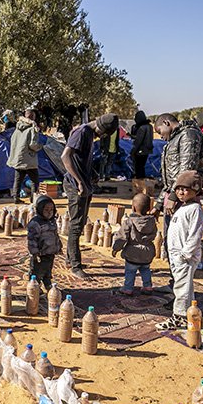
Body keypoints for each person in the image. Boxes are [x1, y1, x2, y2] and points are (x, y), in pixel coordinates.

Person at [61, 113, 119, 280]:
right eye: (103, 134)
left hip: (84, 184)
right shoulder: (82, 132)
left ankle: (70, 258)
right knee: (76, 226)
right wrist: (79, 181)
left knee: (79, 223)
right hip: (75, 185)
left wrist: (91, 174)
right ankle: (75, 266)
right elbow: (65, 156)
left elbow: (81, 159)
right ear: (100, 129)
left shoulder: (88, 133)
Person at [155, 171, 203, 330]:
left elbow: (195, 234)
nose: (181, 192)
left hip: (185, 257)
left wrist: (186, 254)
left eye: (186, 189)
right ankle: (188, 314)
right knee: (184, 287)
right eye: (179, 189)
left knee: (181, 289)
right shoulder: (183, 207)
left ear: (196, 190)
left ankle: (178, 318)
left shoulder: (195, 209)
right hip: (177, 256)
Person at [151, 113, 203, 228]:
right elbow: (171, 180)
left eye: (159, 132)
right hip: (175, 195)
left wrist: (173, 197)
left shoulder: (188, 135)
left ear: (166, 123)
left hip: (184, 197)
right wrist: (159, 204)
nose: (160, 137)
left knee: (181, 237)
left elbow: (187, 171)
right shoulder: (175, 138)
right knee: (171, 237)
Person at [112, 193, 157, 296]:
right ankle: (148, 286)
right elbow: (154, 235)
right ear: (149, 208)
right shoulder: (152, 221)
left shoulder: (129, 221)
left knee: (130, 271)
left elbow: (122, 236)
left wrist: (116, 248)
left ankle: (128, 288)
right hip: (147, 252)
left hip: (133, 252)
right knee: (145, 269)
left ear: (133, 208)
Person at [7, 108, 43, 204]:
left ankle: (15, 197)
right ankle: (33, 199)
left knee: (18, 179)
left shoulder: (17, 128)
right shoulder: (32, 129)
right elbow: (33, 145)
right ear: (32, 117)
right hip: (29, 159)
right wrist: (40, 147)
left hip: (18, 158)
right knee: (34, 180)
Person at [27, 194, 62, 290]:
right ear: (40, 209)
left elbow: (55, 235)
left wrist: (58, 247)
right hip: (40, 253)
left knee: (48, 269)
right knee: (37, 271)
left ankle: (47, 283)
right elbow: (32, 239)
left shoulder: (52, 221)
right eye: (46, 210)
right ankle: (34, 287)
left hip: (50, 251)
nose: (49, 212)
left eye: (51, 210)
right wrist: (34, 252)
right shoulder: (35, 223)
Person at [130, 110, 153, 180]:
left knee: (138, 167)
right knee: (142, 166)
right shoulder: (150, 127)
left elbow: (138, 141)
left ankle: (139, 183)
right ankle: (142, 181)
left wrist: (133, 151)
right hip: (147, 150)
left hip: (140, 150)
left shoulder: (141, 128)